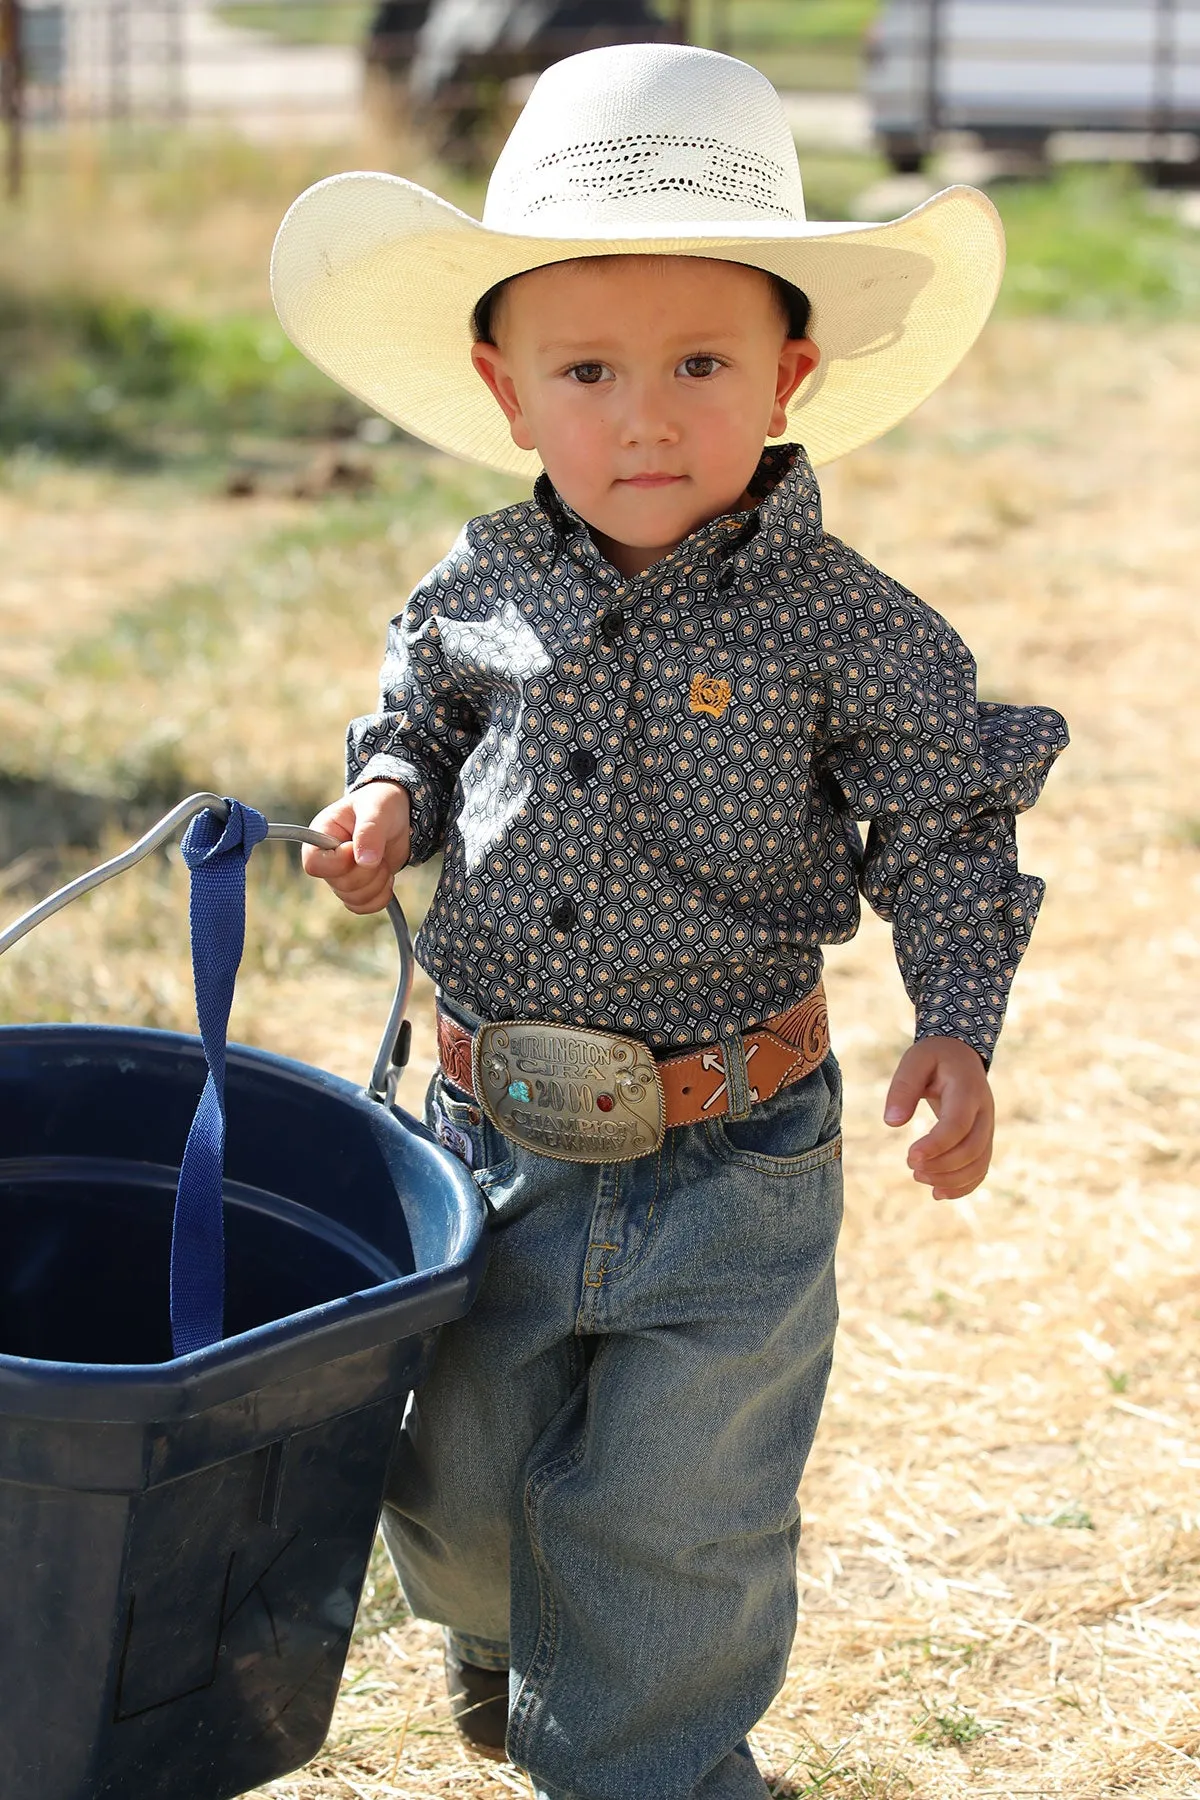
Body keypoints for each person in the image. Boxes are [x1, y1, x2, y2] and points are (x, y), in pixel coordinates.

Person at [273, 42, 1067, 1800]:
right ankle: (503, 1632)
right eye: (590, 370)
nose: (646, 415)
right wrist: (385, 803)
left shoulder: (857, 633)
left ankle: (656, 1761)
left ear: (789, 377)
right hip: (484, 1130)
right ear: (507, 391)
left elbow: (944, 829)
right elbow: (421, 717)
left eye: (702, 364)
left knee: (678, 1516)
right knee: (461, 1488)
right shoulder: (477, 581)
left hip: (730, 1155)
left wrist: (959, 1016)